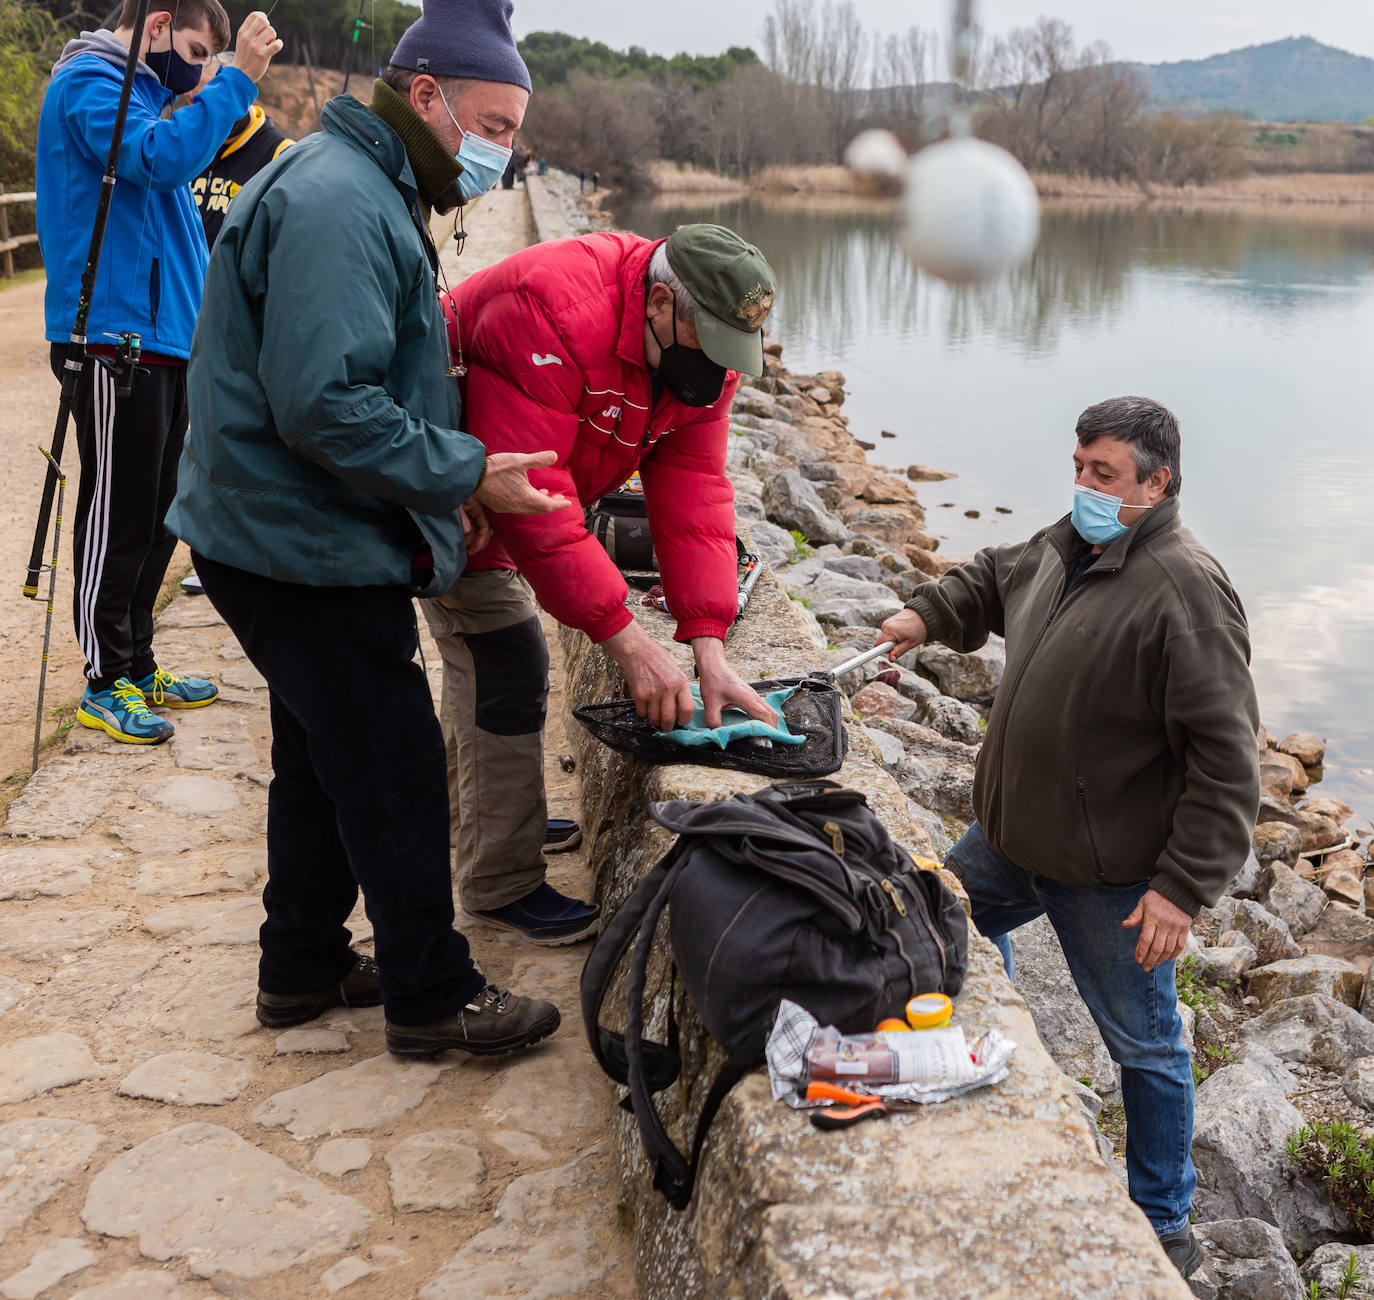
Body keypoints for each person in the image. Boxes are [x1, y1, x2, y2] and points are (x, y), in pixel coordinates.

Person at [166, 0, 570, 1060]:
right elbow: (324, 404)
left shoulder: (367, 184)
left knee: (318, 754)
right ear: (424, 95)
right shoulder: (346, 201)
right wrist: (467, 467)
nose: (503, 149)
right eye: (491, 122)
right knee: (391, 760)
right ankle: (432, 995)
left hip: (279, 529)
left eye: (513, 129)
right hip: (294, 541)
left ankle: (297, 966)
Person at [876, 397, 1260, 1280]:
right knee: (946, 925)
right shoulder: (1074, 543)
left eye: (1104, 474)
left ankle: (1163, 1222)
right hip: (1010, 842)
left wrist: (1181, 888)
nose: (1083, 485)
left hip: (1110, 879)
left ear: (1157, 484)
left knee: (1149, 1048)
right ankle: (1003, 1071)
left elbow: (1228, 760)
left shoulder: (1185, 591)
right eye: (1080, 466)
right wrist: (925, 615)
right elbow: (994, 576)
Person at [422, 223, 779, 944]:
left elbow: (695, 491)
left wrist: (708, 644)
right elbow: (532, 494)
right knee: (504, 657)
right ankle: (499, 881)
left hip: (521, 487)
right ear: (656, 303)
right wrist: (628, 641)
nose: (718, 366)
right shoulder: (552, 307)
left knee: (483, 669)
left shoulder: (703, 351)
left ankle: (493, 816)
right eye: (707, 342)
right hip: (462, 484)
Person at [36, 0, 280, 744]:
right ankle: (104, 678)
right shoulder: (89, 82)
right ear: (156, 24)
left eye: (212, 58)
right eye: (198, 50)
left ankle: (138, 661)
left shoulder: (147, 95)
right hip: (113, 338)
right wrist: (236, 77)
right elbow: (156, 159)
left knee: (162, 509)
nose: (201, 67)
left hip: (167, 340)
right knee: (119, 508)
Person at [189, 52, 294, 249]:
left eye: (219, 94)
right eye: (199, 100)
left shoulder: (282, 154)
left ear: (239, 88)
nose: (211, 108)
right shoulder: (184, 147)